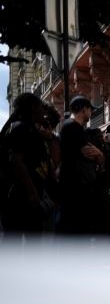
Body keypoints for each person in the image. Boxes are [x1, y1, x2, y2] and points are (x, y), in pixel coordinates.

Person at [0, 93, 55, 242]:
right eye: (40, 107)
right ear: (32, 108)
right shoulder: (21, 129)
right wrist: (32, 193)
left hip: (30, 200)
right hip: (20, 201)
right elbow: (16, 160)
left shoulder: (31, 130)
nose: (43, 112)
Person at [57, 95, 106, 236]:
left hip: (76, 185)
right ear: (84, 109)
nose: (91, 113)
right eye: (90, 109)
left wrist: (100, 155)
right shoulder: (72, 127)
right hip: (76, 187)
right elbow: (91, 153)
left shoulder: (72, 127)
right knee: (75, 229)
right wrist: (100, 155)